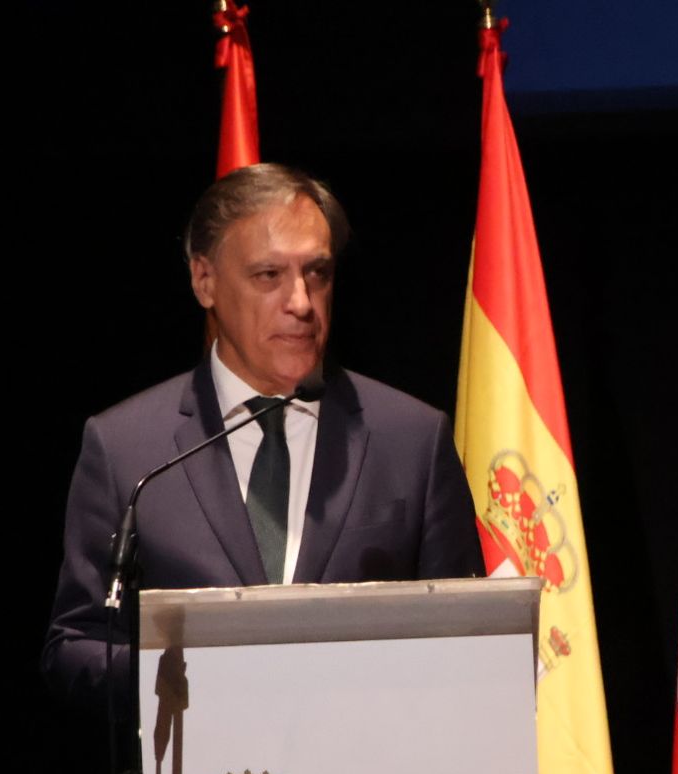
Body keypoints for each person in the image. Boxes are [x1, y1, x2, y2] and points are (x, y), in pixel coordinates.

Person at [42, 163, 484, 710]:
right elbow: (75, 647)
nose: (301, 302)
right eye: (268, 276)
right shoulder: (126, 449)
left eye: (317, 274)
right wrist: (189, 674)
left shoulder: (412, 440)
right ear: (204, 281)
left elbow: (471, 641)